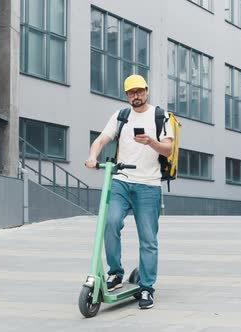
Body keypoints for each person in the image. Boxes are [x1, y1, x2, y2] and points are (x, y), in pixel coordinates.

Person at [84, 74, 173, 309]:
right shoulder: (120, 116)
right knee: (110, 223)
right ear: (126, 95)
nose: (136, 95)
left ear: (146, 91)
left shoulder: (160, 116)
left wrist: (151, 143)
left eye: (139, 91)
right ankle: (115, 273)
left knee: (148, 239)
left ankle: (147, 288)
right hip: (122, 182)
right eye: (131, 92)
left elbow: (169, 150)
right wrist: (93, 155)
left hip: (149, 185)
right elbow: (102, 139)